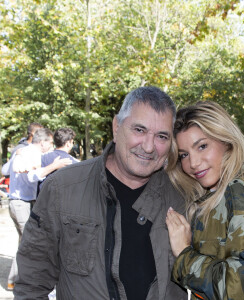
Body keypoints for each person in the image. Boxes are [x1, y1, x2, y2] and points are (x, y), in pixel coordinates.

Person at [14, 86, 187, 300]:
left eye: (162, 136)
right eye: (139, 130)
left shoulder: (182, 198)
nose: (149, 146)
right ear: (116, 127)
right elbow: (31, 283)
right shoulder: (63, 188)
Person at [165, 101, 244, 299]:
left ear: (226, 141)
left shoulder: (238, 190)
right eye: (184, 155)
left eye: (202, 146)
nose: (193, 163)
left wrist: (184, 256)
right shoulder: (216, 193)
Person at [1, 128, 72, 290]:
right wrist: (54, 165)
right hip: (21, 202)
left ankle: (14, 280)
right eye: (51, 143)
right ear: (43, 142)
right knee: (30, 244)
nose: (52, 146)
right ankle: (23, 282)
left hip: (18, 201)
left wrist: (15, 158)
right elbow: (30, 175)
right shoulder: (30, 153)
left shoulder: (21, 151)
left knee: (24, 242)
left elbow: (6, 170)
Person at [35, 127, 79, 194]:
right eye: (72, 142)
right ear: (68, 143)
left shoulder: (42, 158)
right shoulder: (75, 163)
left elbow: (32, 176)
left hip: (44, 200)